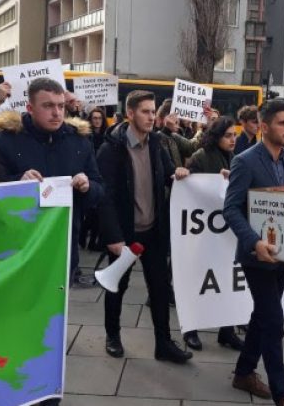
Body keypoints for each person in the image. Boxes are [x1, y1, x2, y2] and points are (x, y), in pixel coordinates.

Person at [96, 90, 193, 364]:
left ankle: (164, 343)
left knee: (160, 289)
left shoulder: (157, 143)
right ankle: (112, 336)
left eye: (153, 112)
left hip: (153, 232)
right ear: (130, 114)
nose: (152, 117)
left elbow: (166, 175)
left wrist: (178, 174)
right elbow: (105, 197)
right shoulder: (111, 149)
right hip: (124, 234)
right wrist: (113, 237)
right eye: (145, 112)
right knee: (117, 285)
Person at [0, 77, 104, 289]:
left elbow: (99, 189)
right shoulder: (4, 141)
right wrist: (18, 182)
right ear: (30, 108)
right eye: (48, 106)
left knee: (57, 318)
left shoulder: (79, 141)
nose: (57, 112)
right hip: (17, 249)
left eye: (61, 106)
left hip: (63, 248)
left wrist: (87, 186)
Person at [224, 100, 284, 406]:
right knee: (274, 321)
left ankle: (244, 372)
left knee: (263, 317)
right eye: (282, 123)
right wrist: (254, 241)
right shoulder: (244, 161)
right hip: (257, 256)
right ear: (265, 127)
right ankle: (282, 392)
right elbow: (230, 209)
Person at [180, 117, 245, 352]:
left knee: (226, 282)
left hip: (224, 232)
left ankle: (226, 331)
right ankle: (191, 329)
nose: (232, 139)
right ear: (217, 136)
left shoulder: (236, 159)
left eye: (234, 135)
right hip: (202, 233)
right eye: (228, 135)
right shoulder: (200, 157)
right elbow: (189, 194)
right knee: (199, 281)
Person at [80, 106, 108, 252]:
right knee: (91, 211)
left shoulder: (107, 136)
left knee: (99, 212)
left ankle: (92, 242)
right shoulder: (85, 136)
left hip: (102, 176)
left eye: (99, 118)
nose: (97, 121)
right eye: (94, 118)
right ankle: (83, 235)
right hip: (89, 176)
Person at [156, 99, 197, 169]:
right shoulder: (154, 135)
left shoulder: (175, 136)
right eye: (174, 116)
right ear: (165, 117)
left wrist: (202, 129)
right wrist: (166, 129)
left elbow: (191, 148)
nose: (177, 120)